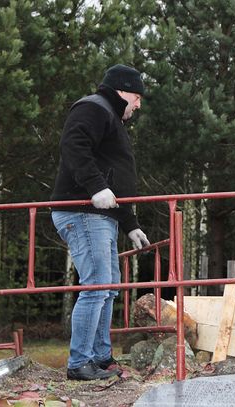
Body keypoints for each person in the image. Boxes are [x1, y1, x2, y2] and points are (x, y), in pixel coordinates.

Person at [51, 64, 150, 380]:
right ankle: (80, 363)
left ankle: (100, 357)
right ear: (122, 91)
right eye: (137, 97)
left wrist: (130, 224)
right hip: (83, 213)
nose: (138, 104)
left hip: (100, 216)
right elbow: (73, 145)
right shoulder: (94, 108)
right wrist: (95, 188)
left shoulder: (111, 118)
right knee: (96, 286)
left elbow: (116, 181)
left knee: (107, 288)